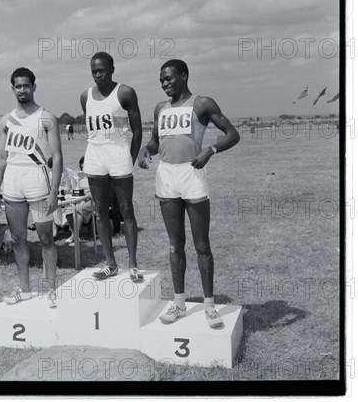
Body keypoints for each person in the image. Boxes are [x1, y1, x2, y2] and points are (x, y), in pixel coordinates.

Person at [138, 59, 240, 328]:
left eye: (169, 78)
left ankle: (209, 306)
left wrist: (211, 150)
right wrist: (144, 150)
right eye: (161, 80)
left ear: (184, 76)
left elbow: (232, 134)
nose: (164, 84)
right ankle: (179, 303)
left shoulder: (202, 103)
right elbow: (156, 141)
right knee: (175, 245)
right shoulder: (160, 108)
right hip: (167, 177)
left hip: (192, 174)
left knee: (202, 245)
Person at [0, 67, 63, 308]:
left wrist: (54, 191)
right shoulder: (5, 120)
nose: (22, 89)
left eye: (26, 85)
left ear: (34, 86)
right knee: (18, 240)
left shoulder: (47, 118)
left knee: (45, 239)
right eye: (17, 86)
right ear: (12, 88)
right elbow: (1, 158)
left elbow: (57, 156)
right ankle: (24, 289)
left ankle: (50, 289)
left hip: (38, 182)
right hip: (13, 183)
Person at [80, 51, 143, 282]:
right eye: (94, 71)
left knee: (126, 210)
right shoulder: (85, 97)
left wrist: (130, 158)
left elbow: (138, 130)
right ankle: (111, 264)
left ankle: (133, 264)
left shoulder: (125, 92)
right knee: (100, 211)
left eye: (102, 70)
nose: (98, 74)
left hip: (119, 154)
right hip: (95, 155)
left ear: (112, 69)